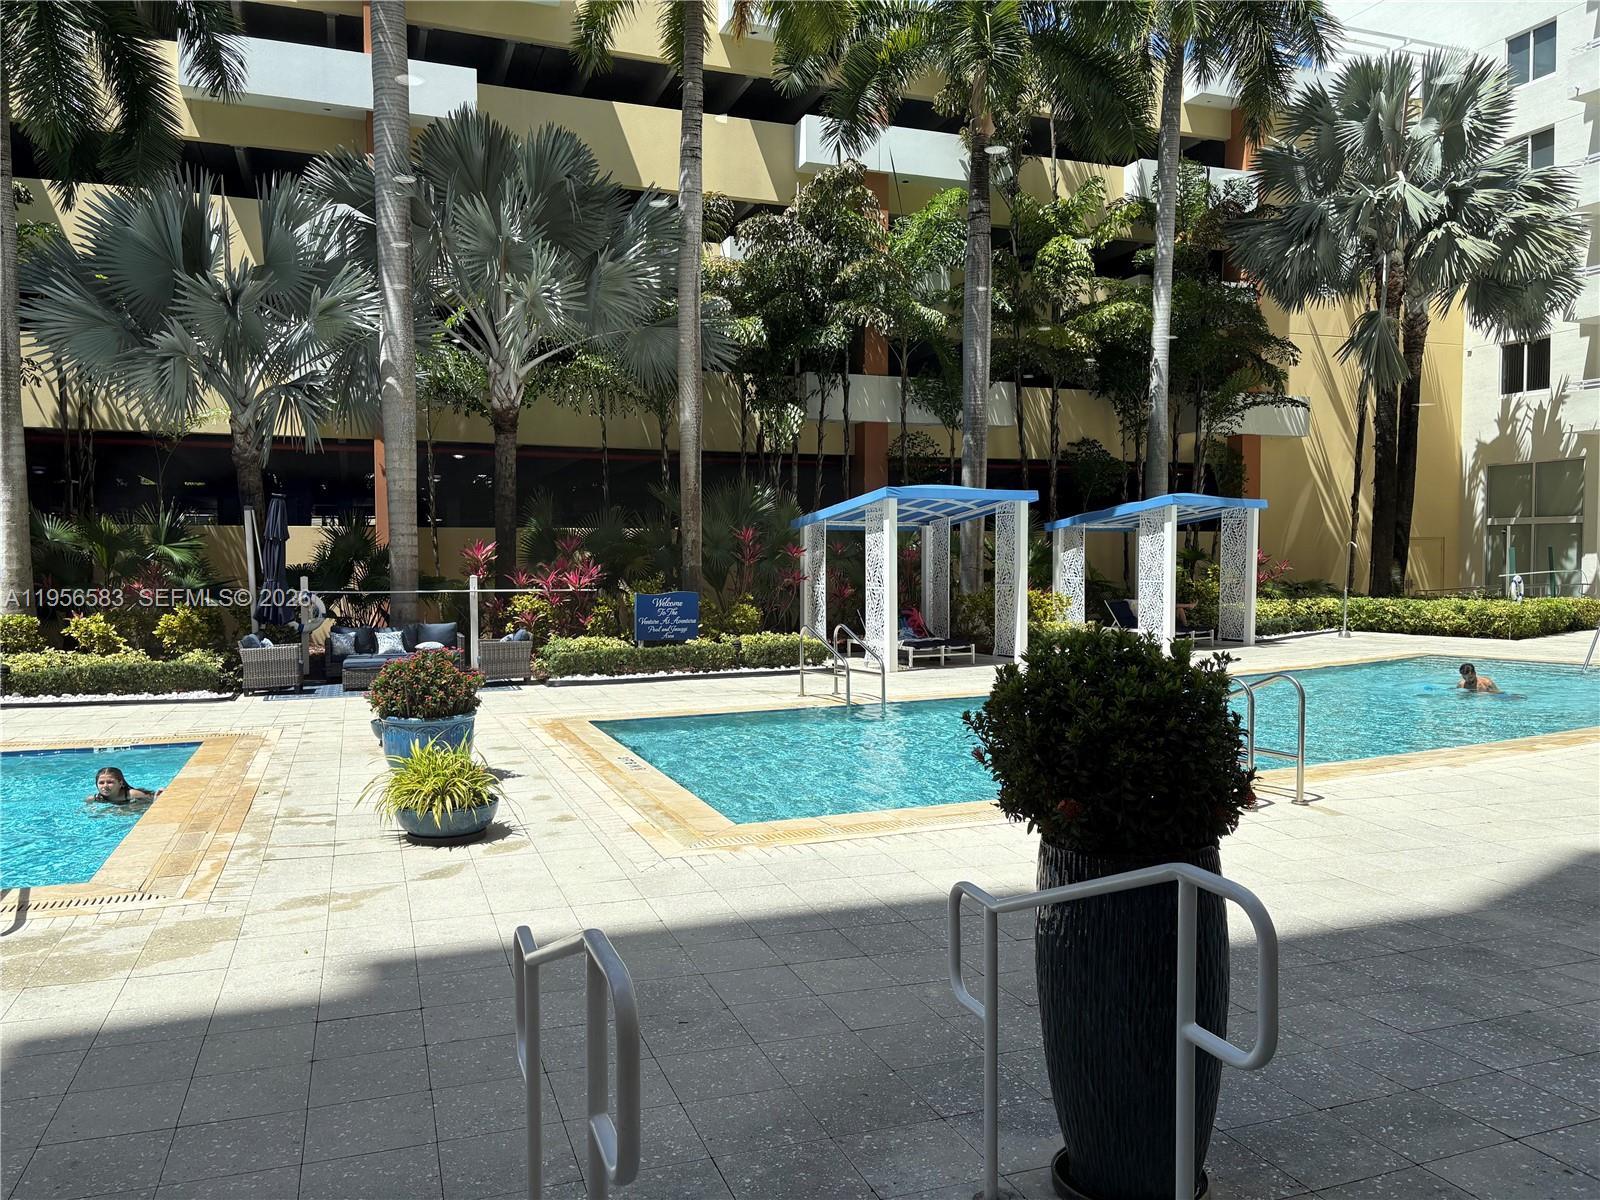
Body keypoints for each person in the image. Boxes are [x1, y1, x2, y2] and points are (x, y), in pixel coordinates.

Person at [87, 767, 161, 805]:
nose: (105, 786)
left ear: (120, 783)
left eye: (110, 782)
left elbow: (153, 801)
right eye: (101, 783)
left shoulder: (132, 794)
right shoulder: (93, 799)